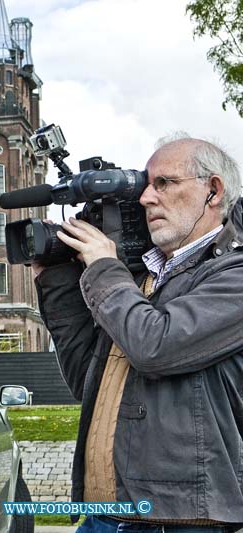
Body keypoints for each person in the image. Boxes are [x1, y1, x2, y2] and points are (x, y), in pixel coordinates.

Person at [34, 136, 243, 531]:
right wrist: (55, 278)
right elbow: (86, 380)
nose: (147, 198)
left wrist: (102, 266)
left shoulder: (233, 276)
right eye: (146, 185)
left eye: (164, 183)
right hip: (104, 514)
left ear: (212, 191)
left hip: (179, 519)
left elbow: (155, 346)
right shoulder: (138, 280)